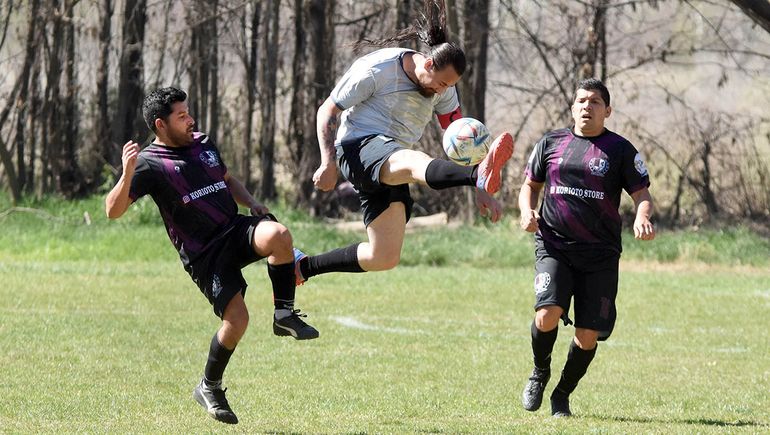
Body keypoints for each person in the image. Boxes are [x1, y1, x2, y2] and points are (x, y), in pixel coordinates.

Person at [105, 87, 318, 425]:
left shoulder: (202, 142)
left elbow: (226, 179)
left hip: (233, 229)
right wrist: (127, 171)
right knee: (238, 322)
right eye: (181, 116)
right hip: (205, 255)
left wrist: (252, 203)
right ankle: (210, 386)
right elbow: (112, 211)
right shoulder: (148, 164)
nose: (190, 119)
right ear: (160, 124)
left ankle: (284, 314)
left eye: (188, 112)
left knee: (278, 235)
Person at [293, 1, 514, 284]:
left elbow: (460, 135)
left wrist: (482, 190)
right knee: (410, 160)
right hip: (358, 148)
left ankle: (302, 267)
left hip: (391, 159)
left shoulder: (442, 86)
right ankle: (475, 176)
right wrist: (327, 162)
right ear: (429, 62)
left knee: (383, 256)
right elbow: (327, 110)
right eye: (441, 83)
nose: (442, 90)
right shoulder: (376, 70)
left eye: (448, 86)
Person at [518, 78, 655, 417]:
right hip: (555, 246)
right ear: (572, 106)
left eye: (595, 102)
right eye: (581, 100)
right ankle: (540, 371)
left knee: (588, 335)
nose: (586, 106)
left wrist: (643, 217)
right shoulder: (551, 143)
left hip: (600, 255)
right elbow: (529, 186)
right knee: (546, 313)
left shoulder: (621, 150)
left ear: (607, 111)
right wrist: (526, 211)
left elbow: (642, 195)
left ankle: (561, 394)